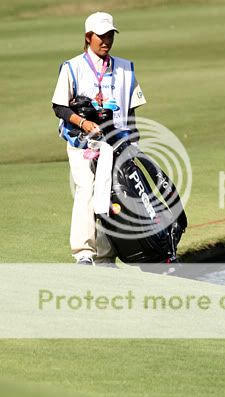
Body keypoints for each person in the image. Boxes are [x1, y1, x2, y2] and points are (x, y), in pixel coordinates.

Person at [51, 11, 146, 265]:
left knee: (112, 193)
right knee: (87, 188)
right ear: (88, 37)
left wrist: (133, 143)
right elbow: (60, 107)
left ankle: (105, 254)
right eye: (100, 36)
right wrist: (83, 122)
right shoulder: (73, 67)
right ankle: (83, 252)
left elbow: (132, 109)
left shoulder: (125, 68)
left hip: (117, 142)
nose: (106, 40)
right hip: (82, 142)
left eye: (109, 35)